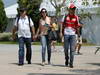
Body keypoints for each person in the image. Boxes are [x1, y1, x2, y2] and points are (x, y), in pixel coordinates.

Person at [60, 3, 80, 68]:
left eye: (74, 9)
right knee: (66, 49)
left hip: (73, 35)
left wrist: (78, 35)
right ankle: (66, 59)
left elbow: (77, 27)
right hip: (66, 34)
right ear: (69, 10)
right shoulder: (65, 16)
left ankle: (71, 63)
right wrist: (60, 32)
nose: (73, 10)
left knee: (72, 49)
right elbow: (61, 24)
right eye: (72, 9)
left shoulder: (76, 17)